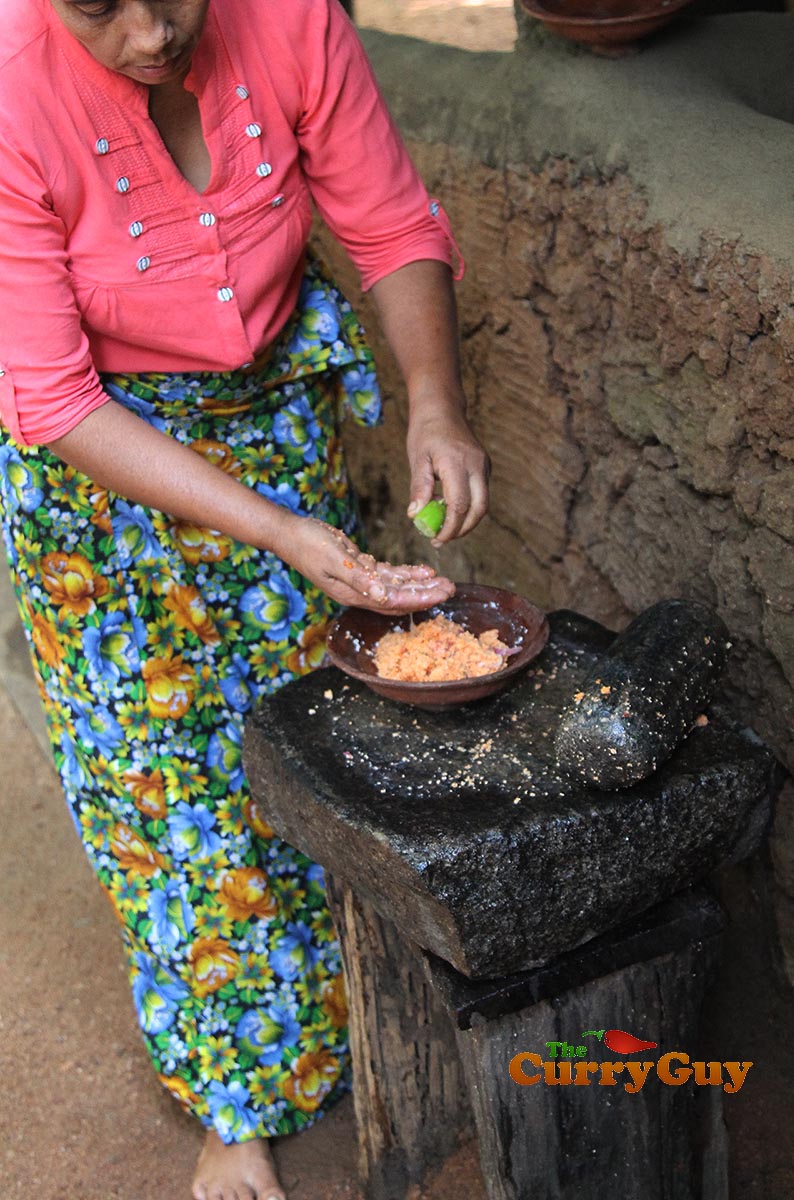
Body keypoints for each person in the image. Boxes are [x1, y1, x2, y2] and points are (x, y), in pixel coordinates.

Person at [0, 1, 490, 1197]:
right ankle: (236, 1110)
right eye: (101, 6)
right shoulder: (10, 92)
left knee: (303, 739)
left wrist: (432, 401)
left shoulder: (288, 18)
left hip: (270, 427)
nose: (152, 32)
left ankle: (349, 1020)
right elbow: (57, 402)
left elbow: (386, 222)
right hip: (105, 493)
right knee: (175, 795)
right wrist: (281, 533)